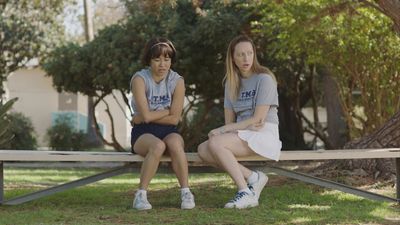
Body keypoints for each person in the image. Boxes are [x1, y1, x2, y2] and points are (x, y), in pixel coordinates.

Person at [197, 35, 282, 209]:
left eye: (249, 53)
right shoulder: (231, 83)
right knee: (203, 150)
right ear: (233, 58)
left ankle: (244, 191)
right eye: (241, 54)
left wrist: (223, 129)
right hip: (242, 133)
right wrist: (227, 130)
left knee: (216, 142)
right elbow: (230, 121)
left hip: (264, 133)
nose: (246, 58)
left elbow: (258, 120)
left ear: (254, 55)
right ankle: (253, 177)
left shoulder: (264, 79)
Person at [130, 37, 195, 210]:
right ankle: (141, 195)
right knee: (157, 146)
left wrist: (147, 115)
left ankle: (186, 192)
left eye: (166, 59)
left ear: (171, 60)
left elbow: (175, 120)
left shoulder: (177, 81)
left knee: (174, 143)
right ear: (149, 60)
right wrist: (167, 111)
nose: (162, 64)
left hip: (169, 130)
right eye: (157, 59)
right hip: (143, 132)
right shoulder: (140, 80)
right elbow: (146, 118)